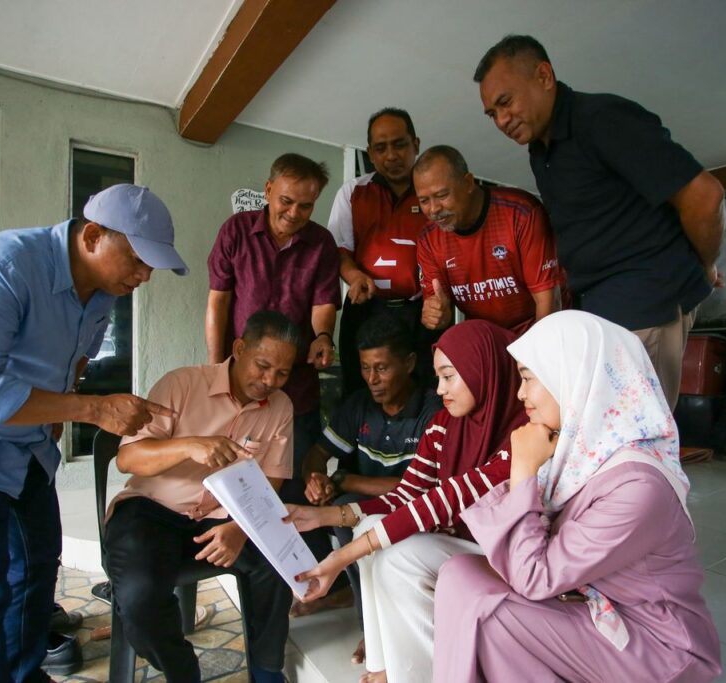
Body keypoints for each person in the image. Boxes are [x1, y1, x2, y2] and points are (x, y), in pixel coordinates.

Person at [0, 184, 187, 682]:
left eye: (151, 266)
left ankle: (24, 674)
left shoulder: (103, 293)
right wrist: (91, 410)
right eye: (136, 259)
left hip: (24, 450)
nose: (143, 275)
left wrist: (63, 409)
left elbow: (78, 358)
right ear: (93, 236)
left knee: (33, 575)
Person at [433, 310, 722, 682]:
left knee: (494, 613)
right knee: (461, 575)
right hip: (594, 607)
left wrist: (522, 472)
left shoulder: (638, 486)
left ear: (571, 378)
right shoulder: (581, 456)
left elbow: (534, 576)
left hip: (657, 648)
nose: (521, 394)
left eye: (528, 379)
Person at [475, 35, 726, 409]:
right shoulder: (541, 151)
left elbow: (705, 196)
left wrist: (705, 263)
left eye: (505, 102)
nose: (501, 120)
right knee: (600, 440)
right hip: (601, 310)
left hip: (646, 304)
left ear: (544, 76)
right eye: (492, 113)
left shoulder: (601, 119)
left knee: (636, 443)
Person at [285, 319, 527, 683]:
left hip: (507, 554)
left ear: (483, 370)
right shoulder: (445, 425)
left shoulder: (523, 432)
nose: (441, 389)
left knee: (398, 555)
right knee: (372, 528)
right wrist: (319, 516)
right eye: (439, 377)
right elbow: (406, 495)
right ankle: (384, 667)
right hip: (461, 543)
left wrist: (342, 555)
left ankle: (427, 674)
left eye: (449, 376)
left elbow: (446, 498)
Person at [104, 310, 300, 683]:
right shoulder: (181, 384)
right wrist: (189, 446)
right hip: (152, 512)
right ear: (239, 348)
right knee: (140, 597)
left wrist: (241, 527)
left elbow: (271, 480)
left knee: (279, 565)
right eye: (262, 366)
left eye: (283, 373)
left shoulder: (281, 407)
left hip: (224, 520)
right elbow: (128, 459)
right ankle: (183, 669)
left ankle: (266, 669)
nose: (270, 380)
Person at [205, 152, 344, 597]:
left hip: (295, 388)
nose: (294, 214)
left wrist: (323, 337)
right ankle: (249, 570)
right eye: (286, 201)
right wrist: (215, 371)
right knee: (238, 477)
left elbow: (324, 303)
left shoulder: (320, 243)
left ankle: (301, 580)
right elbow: (218, 303)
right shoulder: (237, 232)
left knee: (295, 484)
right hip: (240, 384)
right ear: (268, 190)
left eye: (306, 206)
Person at [300, 314, 441, 660]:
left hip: (419, 510)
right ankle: (369, 625)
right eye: (365, 368)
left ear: (408, 363)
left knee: (354, 517)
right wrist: (314, 479)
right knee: (329, 515)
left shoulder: (432, 411)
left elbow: (423, 487)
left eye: (382, 368)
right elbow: (317, 455)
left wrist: (350, 480)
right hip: (363, 506)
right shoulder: (359, 405)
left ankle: (386, 630)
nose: (372, 380)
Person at [327, 108, 437, 396]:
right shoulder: (353, 191)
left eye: (400, 144)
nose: (391, 155)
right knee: (358, 390)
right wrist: (354, 277)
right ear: (371, 153)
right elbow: (338, 250)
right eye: (381, 148)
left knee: (424, 388)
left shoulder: (434, 191)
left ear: (416, 144)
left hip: (420, 313)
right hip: (366, 310)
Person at [414, 145, 561, 336]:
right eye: (424, 201)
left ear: (468, 183)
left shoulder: (520, 213)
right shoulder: (429, 239)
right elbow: (439, 307)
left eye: (441, 195)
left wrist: (535, 356)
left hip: (538, 329)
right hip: (487, 340)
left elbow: (549, 302)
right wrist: (435, 315)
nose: (433, 209)